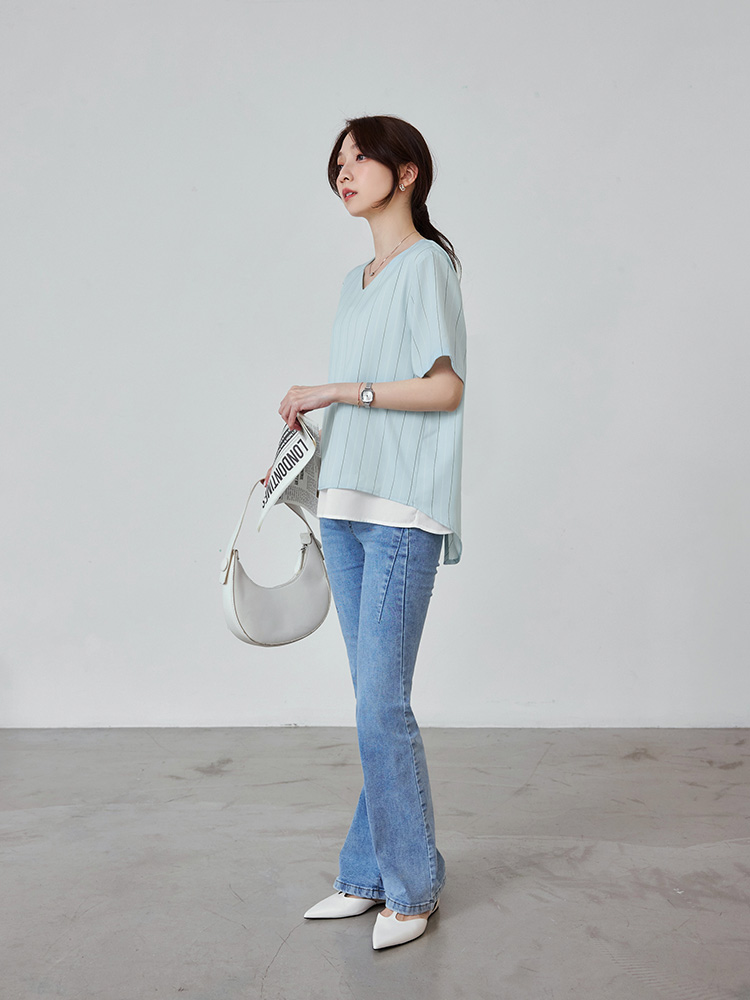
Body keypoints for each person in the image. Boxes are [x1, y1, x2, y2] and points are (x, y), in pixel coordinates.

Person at [269, 114, 467, 950]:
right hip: (345, 504)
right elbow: (361, 402)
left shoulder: (427, 265)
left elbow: (445, 389)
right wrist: (302, 449)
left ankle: (412, 887)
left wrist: (339, 389)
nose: (343, 172)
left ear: (407, 171)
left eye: (360, 159)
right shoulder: (356, 280)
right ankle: (366, 872)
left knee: (381, 704)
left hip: (401, 512)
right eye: (338, 162)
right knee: (370, 704)